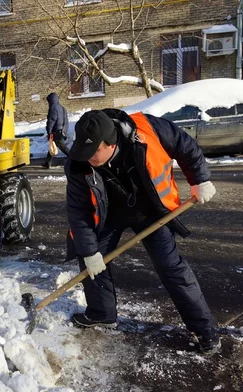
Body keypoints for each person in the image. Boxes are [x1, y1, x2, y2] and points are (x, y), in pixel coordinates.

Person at [65, 108, 220, 354]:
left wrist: (199, 179)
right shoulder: (78, 163)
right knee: (90, 261)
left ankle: (204, 329)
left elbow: (184, 144)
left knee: (171, 267)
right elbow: (78, 210)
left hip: (150, 210)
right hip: (108, 215)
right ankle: (101, 313)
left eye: (94, 152)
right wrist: (89, 251)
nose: (87, 158)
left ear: (110, 142)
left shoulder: (148, 129)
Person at [42, 92, 70, 169]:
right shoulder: (62, 108)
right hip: (61, 130)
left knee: (63, 147)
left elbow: (52, 120)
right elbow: (66, 121)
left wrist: (49, 131)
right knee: (52, 145)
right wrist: (65, 131)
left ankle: (74, 159)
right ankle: (47, 163)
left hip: (56, 131)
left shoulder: (53, 107)